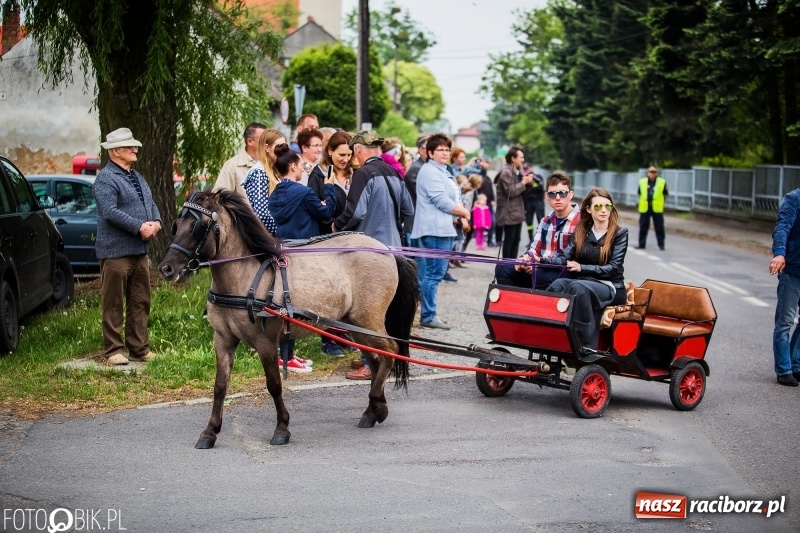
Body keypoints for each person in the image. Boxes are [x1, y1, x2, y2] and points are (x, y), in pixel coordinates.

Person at [93, 128, 162, 366]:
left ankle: (139, 348)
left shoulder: (136, 176)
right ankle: (113, 350)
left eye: (134, 146)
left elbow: (150, 202)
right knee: (113, 302)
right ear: (115, 151)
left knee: (141, 300)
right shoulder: (106, 178)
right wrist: (139, 227)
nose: (135, 149)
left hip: (139, 251)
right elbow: (109, 211)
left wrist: (157, 222)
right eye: (130, 146)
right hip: (115, 252)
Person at [538, 187, 628, 350]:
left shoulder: (620, 233)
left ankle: (585, 344)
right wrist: (539, 260)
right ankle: (549, 332)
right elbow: (564, 258)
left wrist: (581, 268)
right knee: (558, 285)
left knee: (577, 287)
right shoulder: (581, 230)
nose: (603, 210)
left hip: (610, 286)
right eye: (598, 206)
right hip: (584, 281)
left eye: (607, 206)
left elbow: (614, 268)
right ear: (588, 209)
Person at [410, 133, 471, 330]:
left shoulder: (441, 170)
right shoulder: (430, 171)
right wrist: (464, 212)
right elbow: (442, 201)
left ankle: (429, 314)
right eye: (440, 150)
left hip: (443, 228)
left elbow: (451, 198)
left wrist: (459, 217)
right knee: (433, 274)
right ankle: (428, 315)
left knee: (435, 273)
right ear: (430, 153)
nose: (445, 153)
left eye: (447, 149)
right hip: (434, 230)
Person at [495, 171, 581, 289]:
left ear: (570, 195)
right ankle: (515, 300)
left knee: (540, 275)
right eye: (552, 194)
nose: (557, 198)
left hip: (565, 271)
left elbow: (574, 259)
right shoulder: (545, 221)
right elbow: (534, 249)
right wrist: (525, 261)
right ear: (547, 197)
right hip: (540, 267)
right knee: (502, 267)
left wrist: (539, 264)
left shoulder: (582, 221)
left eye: (562, 193)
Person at [333, 130, 413, 248]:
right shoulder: (394, 172)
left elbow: (356, 213)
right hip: (395, 246)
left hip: (371, 248)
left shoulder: (363, 173)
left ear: (357, 149)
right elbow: (409, 210)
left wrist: (337, 226)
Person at [769, 188, 800, 386]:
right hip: (792, 270)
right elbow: (782, 227)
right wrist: (779, 253)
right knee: (785, 322)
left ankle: (795, 364)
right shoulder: (794, 198)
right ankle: (784, 370)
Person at [241, 128, 286, 235]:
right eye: (279, 147)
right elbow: (262, 213)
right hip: (268, 237)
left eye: (284, 147)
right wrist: (280, 232)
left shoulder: (272, 171)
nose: (282, 151)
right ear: (267, 148)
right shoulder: (259, 172)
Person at [308, 130, 353, 235]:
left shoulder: (355, 173)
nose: (346, 159)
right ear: (330, 151)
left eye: (349, 155)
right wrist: (336, 225)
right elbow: (314, 209)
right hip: (328, 236)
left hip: (353, 235)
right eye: (342, 155)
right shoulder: (318, 176)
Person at [494, 145, 534, 258]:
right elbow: (510, 192)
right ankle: (507, 265)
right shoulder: (506, 172)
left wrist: (527, 183)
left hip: (516, 212)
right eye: (521, 157)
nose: (523, 160)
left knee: (516, 240)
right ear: (513, 158)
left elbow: (520, 190)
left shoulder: (515, 171)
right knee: (509, 240)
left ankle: (512, 265)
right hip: (509, 213)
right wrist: (524, 182)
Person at [212, 122, 266, 205]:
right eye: (264, 140)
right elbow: (219, 198)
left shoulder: (272, 164)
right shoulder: (232, 165)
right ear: (250, 141)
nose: (267, 144)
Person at [636, 165, 668, 250]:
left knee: (659, 227)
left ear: (656, 173)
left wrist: (660, 202)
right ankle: (641, 244)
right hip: (645, 207)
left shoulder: (661, 182)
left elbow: (665, 194)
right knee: (643, 226)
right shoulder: (642, 182)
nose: (652, 174)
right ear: (648, 173)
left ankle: (661, 244)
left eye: (654, 172)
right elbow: (639, 193)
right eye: (651, 172)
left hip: (657, 208)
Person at [523, 164, 545, 246]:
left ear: (531, 168)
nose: (527, 170)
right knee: (529, 222)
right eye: (525, 169)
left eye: (527, 168)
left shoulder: (538, 177)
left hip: (538, 201)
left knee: (541, 221)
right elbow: (524, 191)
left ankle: (541, 240)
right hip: (529, 202)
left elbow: (541, 187)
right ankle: (531, 240)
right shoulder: (524, 179)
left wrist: (532, 182)